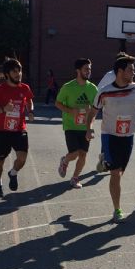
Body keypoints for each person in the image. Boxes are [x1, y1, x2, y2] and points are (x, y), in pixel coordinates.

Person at [85, 54, 135, 223]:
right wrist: (89, 128)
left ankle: (105, 160)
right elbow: (92, 112)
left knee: (120, 172)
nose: (134, 73)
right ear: (120, 71)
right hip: (110, 136)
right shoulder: (104, 92)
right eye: (130, 70)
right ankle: (117, 210)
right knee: (115, 174)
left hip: (128, 137)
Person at [0, 59, 35, 197]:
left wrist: (30, 111)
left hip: (19, 130)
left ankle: (13, 173)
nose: (18, 74)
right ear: (7, 74)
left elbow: (29, 100)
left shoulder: (25, 88)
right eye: (14, 71)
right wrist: (4, 109)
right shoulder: (0, 89)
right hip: (1, 131)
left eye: (19, 71)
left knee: (22, 158)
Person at [55, 58, 98, 189]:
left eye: (90, 69)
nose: (88, 71)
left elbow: (94, 111)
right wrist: (71, 111)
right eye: (86, 69)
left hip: (85, 127)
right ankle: (65, 160)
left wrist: (90, 128)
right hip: (71, 126)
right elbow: (57, 103)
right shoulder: (68, 87)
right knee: (74, 154)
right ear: (78, 71)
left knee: (83, 154)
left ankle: (75, 178)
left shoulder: (93, 89)